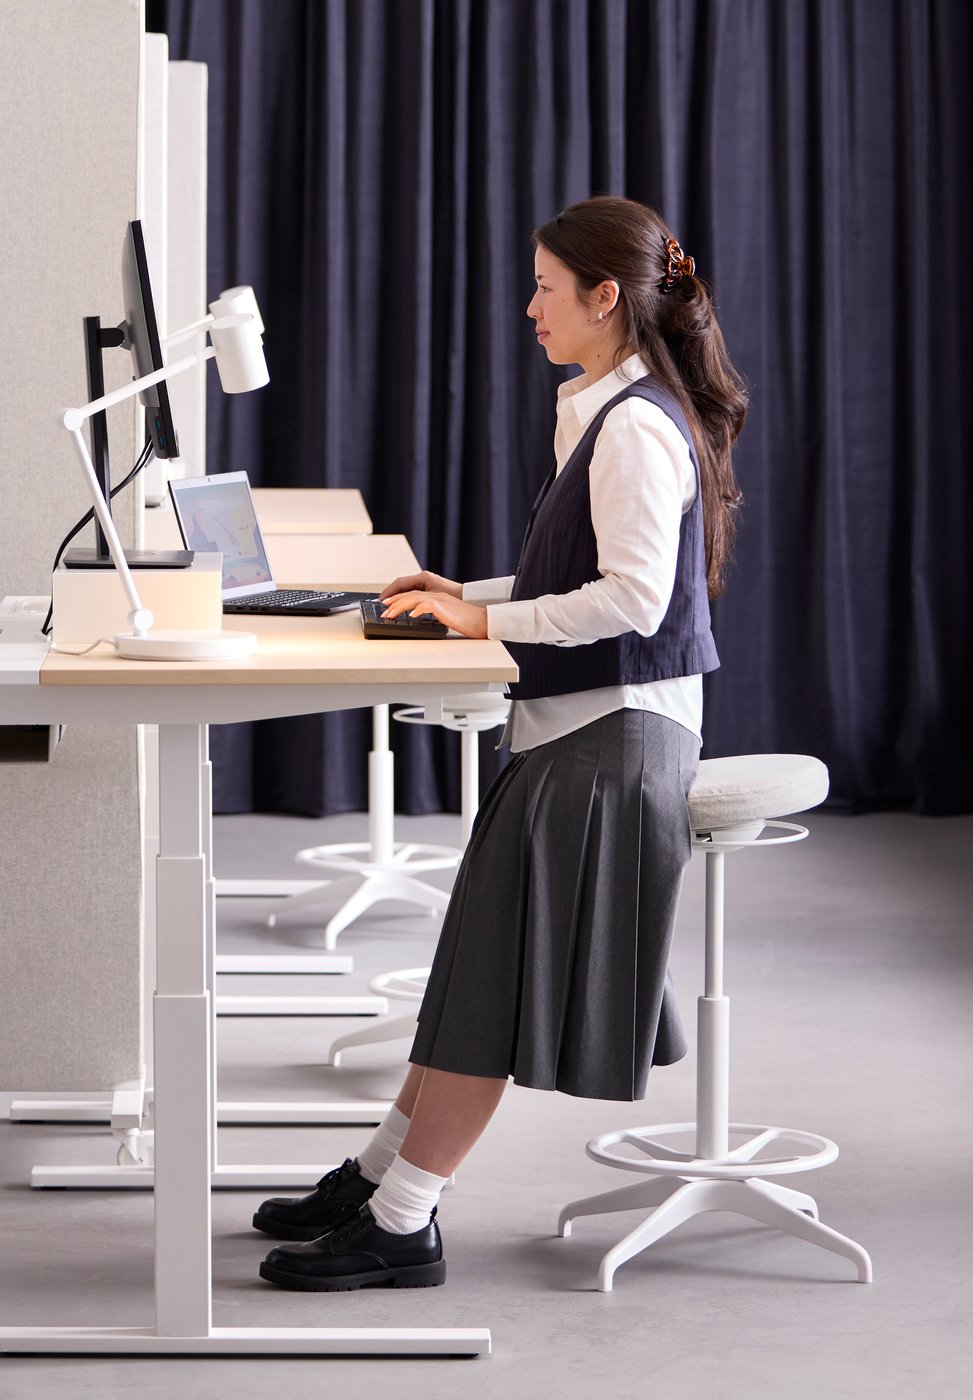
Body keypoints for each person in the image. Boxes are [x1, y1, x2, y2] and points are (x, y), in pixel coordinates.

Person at [255, 195, 748, 1292]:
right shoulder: (603, 410)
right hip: (580, 728)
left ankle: (404, 1220)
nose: (527, 308)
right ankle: (376, 1178)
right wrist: (461, 593)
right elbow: (567, 590)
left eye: (542, 287)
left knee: (481, 990)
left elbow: (627, 600)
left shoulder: (633, 428)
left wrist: (483, 619)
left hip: (615, 744)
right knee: (463, 974)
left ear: (603, 297)